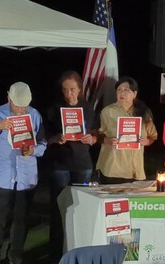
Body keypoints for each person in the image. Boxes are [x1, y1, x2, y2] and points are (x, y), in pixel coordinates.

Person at [0, 82, 47, 264]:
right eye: (17, 104)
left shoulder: (34, 115)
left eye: (24, 105)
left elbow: (42, 143)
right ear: (8, 98)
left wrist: (33, 150)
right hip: (4, 176)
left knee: (21, 218)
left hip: (26, 176)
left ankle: (16, 253)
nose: (20, 109)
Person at [44, 71, 97, 263]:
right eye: (65, 90)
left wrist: (92, 138)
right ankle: (56, 254)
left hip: (82, 164)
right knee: (59, 210)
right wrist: (56, 138)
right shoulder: (54, 108)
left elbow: (95, 133)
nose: (69, 94)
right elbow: (45, 137)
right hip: (59, 165)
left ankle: (79, 252)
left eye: (72, 89)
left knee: (81, 209)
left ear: (80, 89)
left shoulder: (88, 108)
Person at [96, 76, 157, 183]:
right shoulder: (107, 111)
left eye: (126, 90)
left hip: (134, 169)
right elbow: (97, 135)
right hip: (112, 168)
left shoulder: (144, 112)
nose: (122, 93)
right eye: (119, 90)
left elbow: (153, 136)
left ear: (135, 94)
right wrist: (108, 140)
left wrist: (147, 141)